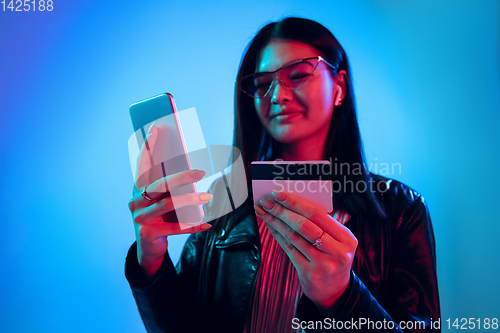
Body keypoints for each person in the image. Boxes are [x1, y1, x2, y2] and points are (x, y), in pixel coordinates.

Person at [125, 17, 440, 332]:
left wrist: (342, 297)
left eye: (300, 74)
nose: (277, 96)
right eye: (263, 84)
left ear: (339, 87)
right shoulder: (228, 194)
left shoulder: (402, 211)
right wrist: (151, 258)